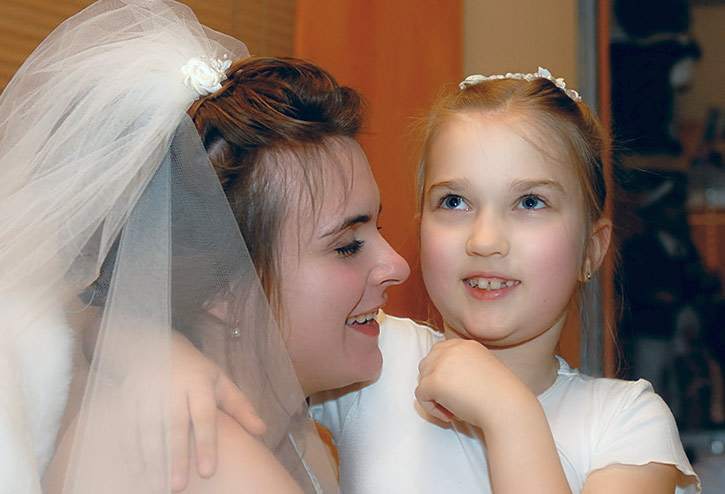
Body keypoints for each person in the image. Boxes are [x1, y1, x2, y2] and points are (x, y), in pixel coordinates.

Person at [172, 68, 702, 493]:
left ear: (592, 248)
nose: (485, 240)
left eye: (530, 202)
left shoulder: (627, 424)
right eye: (454, 201)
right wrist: (156, 350)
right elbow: (241, 339)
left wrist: (510, 415)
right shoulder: (374, 358)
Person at [0, 1, 408, 493]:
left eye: (379, 227)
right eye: (347, 245)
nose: (397, 264)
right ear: (224, 284)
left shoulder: (273, 429)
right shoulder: (202, 458)